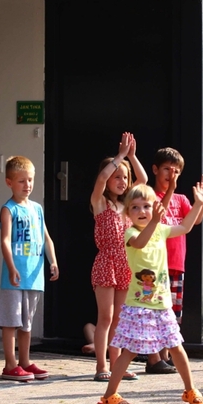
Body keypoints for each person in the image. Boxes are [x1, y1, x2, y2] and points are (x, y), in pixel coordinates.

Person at [96, 181, 203, 404]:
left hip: (162, 304)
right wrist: (156, 221)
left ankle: (190, 390)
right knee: (130, 350)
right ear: (127, 213)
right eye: (135, 207)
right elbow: (140, 243)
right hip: (139, 305)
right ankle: (109, 396)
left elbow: (186, 227)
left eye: (147, 206)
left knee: (176, 346)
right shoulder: (130, 233)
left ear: (155, 207)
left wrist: (199, 203)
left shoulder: (161, 229)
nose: (142, 211)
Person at [145, 148, 203, 373]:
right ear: (155, 169)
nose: (171, 174)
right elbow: (157, 216)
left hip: (177, 264)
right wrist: (170, 191)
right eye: (167, 169)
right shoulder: (149, 196)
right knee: (153, 310)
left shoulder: (181, 198)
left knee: (172, 312)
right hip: (155, 265)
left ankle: (165, 356)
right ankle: (153, 357)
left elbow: (195, 220)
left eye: (176, 171)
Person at [90, 133, 147, 382]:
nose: (122, 181)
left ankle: (117, 365)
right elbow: (101, 179)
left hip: (125, 263)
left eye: (124, 177)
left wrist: (131, 157)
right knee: (105, 317)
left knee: (120, 319)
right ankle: (101, 365)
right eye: (117, 177)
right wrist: (120, 156)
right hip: (106, 262)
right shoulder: (100, 202)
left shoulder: (127, 206)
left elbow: (143, 180)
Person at [0, 156, 59, 381]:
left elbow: (46, 238)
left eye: (30, 180)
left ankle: (24, 361)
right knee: (11, 321)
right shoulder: (8, 209)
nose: (27, 185)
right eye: (21, 181)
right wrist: (11, 267)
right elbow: (5, 240)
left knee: (26, 323)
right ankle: (10, 364)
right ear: (9, 182)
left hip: (34, 277)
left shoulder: (37, 208)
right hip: (14, 278)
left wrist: (53, 261)